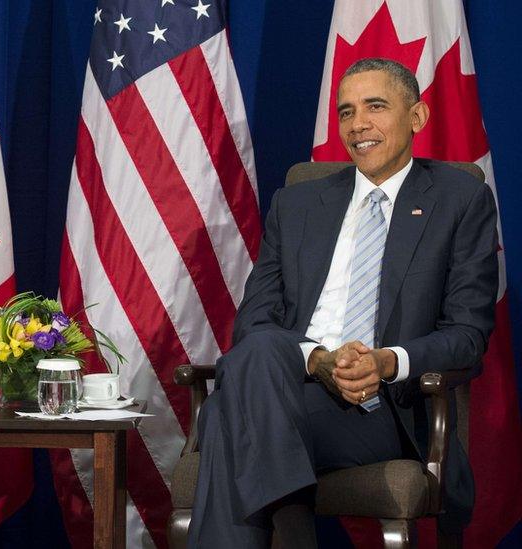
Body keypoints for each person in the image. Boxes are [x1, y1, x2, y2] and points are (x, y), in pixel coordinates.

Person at [187, 57, 499, 547]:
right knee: (262, 353)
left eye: (375, 107)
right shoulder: (298, 205)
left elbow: (467, 337)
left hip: (380, 410)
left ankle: (293, 532)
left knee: (228, 413)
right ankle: (293, 530)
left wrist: (383, 361)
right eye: (346, 112)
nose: (358, 125)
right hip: (289, 384)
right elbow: (254, 324)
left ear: (416, 117)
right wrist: (317, 359)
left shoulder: (460, 200)